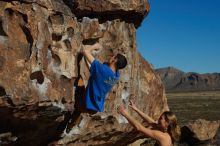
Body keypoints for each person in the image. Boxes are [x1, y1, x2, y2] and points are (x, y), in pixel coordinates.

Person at [66, 43, 127, 132]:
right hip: (95, 107)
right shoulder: (116, 76)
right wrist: (85, 58)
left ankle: (71, 121)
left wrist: (94, 46)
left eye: (113, 57)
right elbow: (93, 69)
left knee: (79, 84)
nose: (111, 57)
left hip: (86, 103)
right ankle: (71, 125)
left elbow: (85, 51)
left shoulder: (103, 70)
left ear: (115, 60)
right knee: (80, 109)